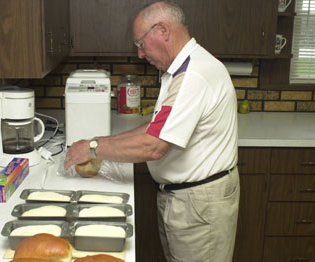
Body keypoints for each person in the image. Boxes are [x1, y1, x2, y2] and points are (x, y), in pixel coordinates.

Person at [64, 1, 239, 261]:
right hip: (185, 200)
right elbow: (156, 128)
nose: (140, 55)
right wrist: (96, 141)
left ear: (163, 31)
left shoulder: (194, 75)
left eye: (141, 44)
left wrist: (92, 148)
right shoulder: (178, 70)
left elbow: (154, 146)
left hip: (199, 205)